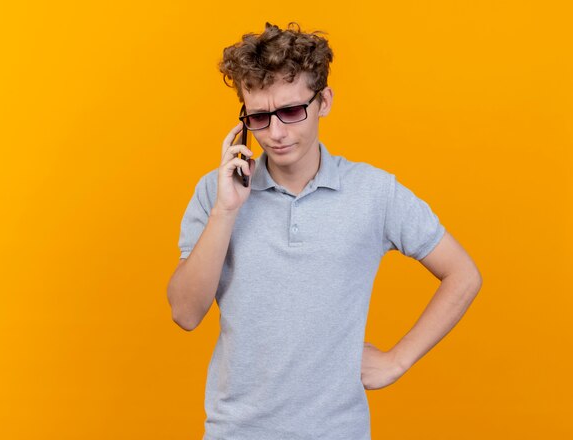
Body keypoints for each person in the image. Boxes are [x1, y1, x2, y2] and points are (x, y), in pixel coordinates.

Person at [167, 22, 482, 440]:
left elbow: (464, 274)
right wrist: (226, 210)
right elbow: (185, 314)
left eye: (292, 111)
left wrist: (397, 360)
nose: (275, 134)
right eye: (259, 117)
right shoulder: (217, 191)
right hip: (236, 431)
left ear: (324, 101)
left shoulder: (374, 192)